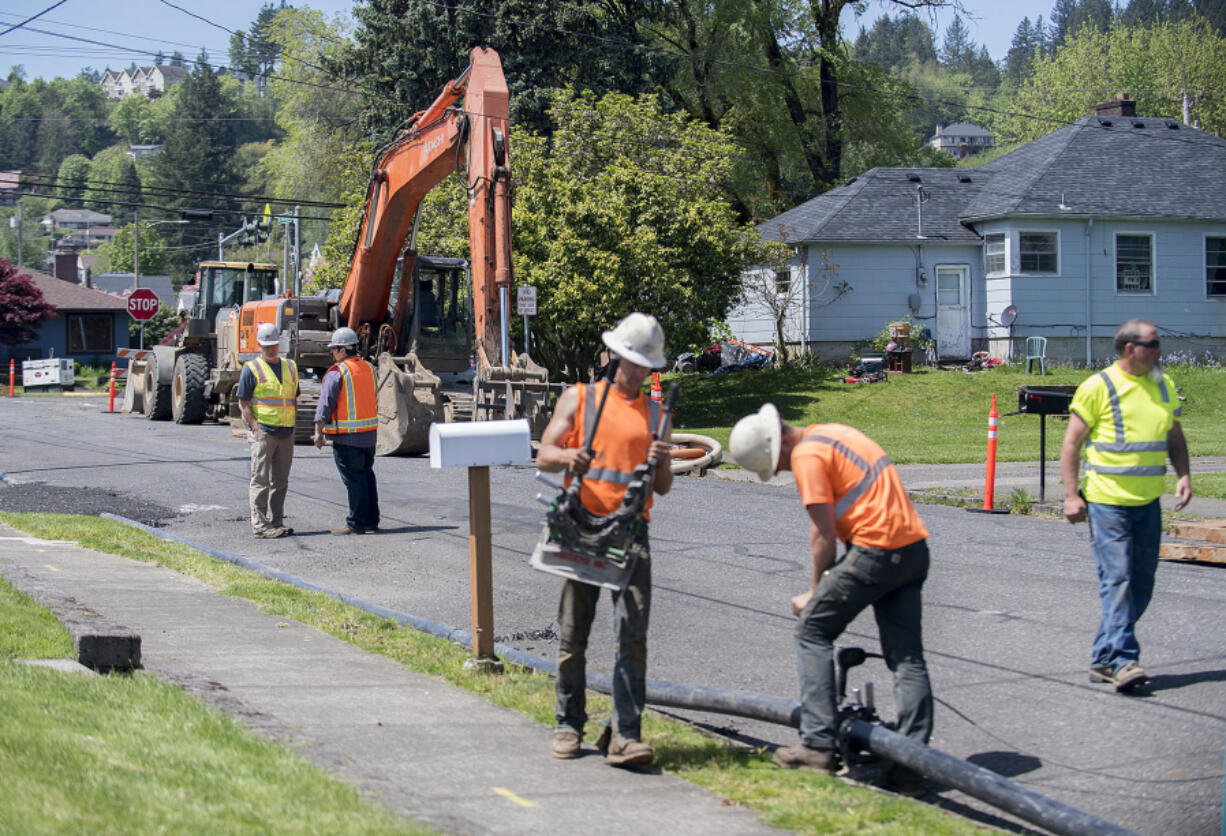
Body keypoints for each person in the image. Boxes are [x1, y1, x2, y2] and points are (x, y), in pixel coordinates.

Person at [729, 405, 932, 795]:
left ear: (781, 443)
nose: (784, 469)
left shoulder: (806, 454)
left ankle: (818, 745)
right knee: (907, 659)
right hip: (912, 550)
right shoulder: (834, 433)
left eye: (777, 464)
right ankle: (910, 765)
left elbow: (822, 535)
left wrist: (814, 591)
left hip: (875, 550)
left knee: (812, 630)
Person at [536, 312, 673, 767]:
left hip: (631, 536)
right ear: (613, 354)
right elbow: (544, 454)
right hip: (582, 529)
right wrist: (569, 456)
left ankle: (625, 735)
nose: (637, 371)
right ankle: (567, 725)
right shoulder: (580, 400)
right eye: (631, 360)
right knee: (574, 634)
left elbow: (664, 486)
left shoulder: (656, 414)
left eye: (645, 364)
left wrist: (661, 461)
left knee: (632, 637)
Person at [1060, 319, 1191, 693]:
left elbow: (1174, 437)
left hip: (1148, 502)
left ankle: (1103, 658)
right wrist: (1072, 495)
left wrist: (1183, 475)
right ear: (1130, 348)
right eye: (1152, 343)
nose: (1159, 349)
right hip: (1107, 503)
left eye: (1158, 342)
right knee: (1117, 581)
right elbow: (1072, 444)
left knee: (1142, 585)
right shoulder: (1098, 387)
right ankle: (1123, 660)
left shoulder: (1163, 385)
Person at [313, 327, 380, 535]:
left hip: (347, 437)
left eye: (334, 350)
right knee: (367, 477)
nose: (333, 354)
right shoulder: (369, 368)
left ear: (343, 350)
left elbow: (325, 405)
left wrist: (318, 432)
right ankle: (371, 520)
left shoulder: (338, 372)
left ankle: (355, 522)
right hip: (369, 434)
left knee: (354, 480)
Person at [236, 323, 299, 539]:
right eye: (266, 346)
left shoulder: (290, 366)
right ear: (260, 346)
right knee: (261, 480)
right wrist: (255, 428)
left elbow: (292, 399)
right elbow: (243, 403)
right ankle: (261, 525)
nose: (271, 349)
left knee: (281, 481)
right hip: (264, 432)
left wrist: (292, 426)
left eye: (273, 345)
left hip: (285, 432)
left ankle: (276, 521)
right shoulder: (251, 368)